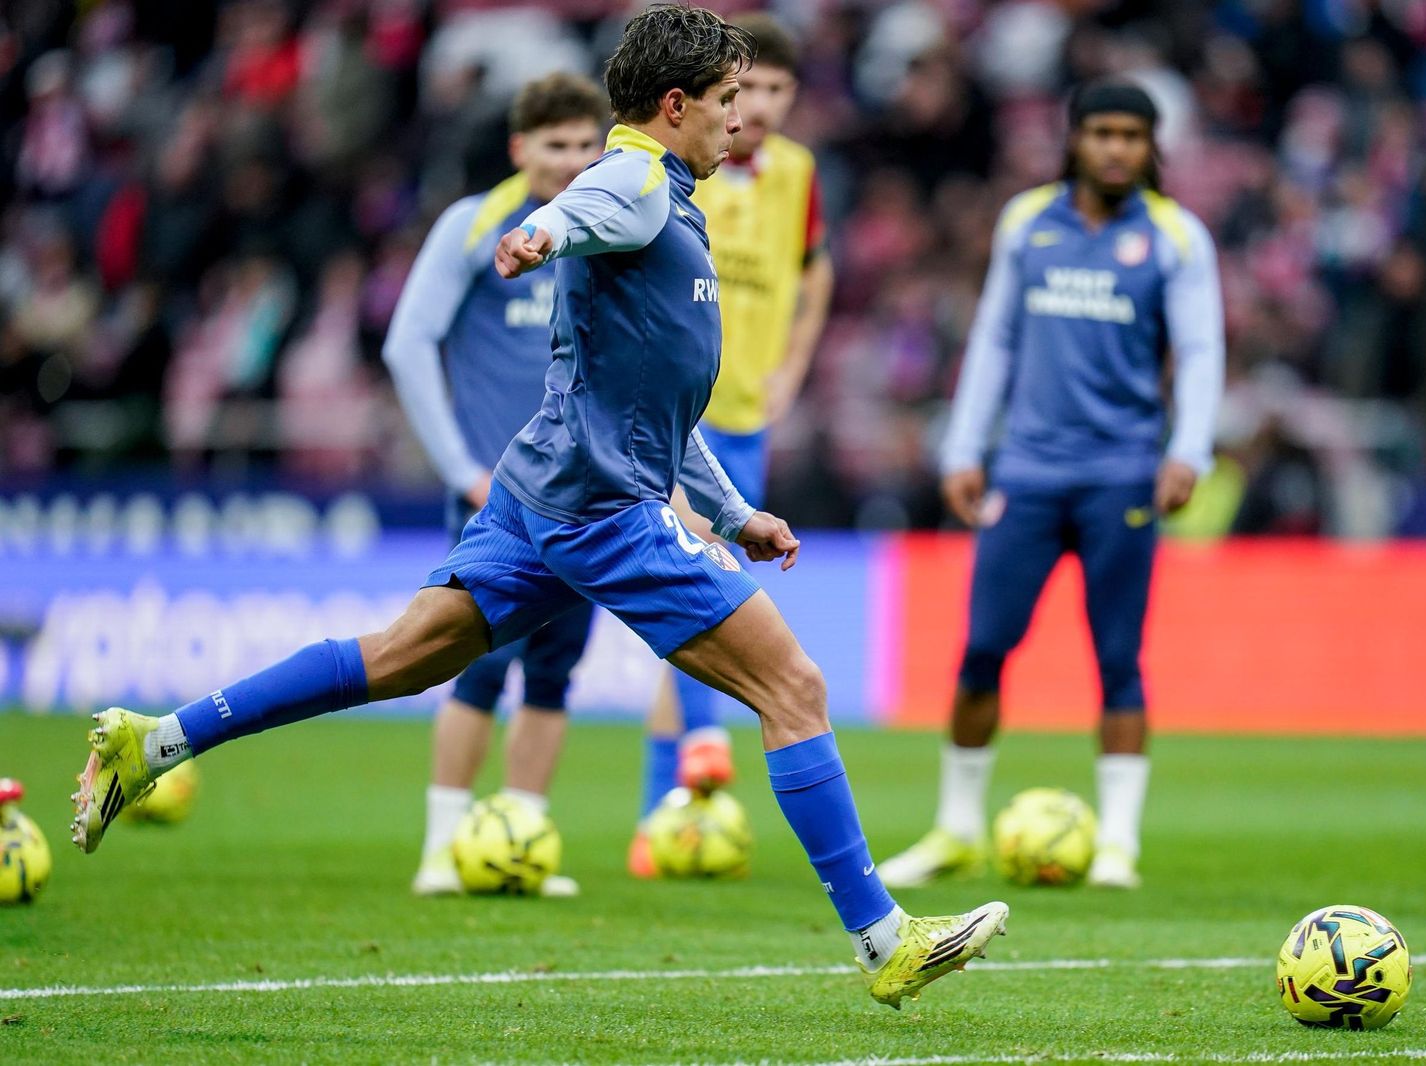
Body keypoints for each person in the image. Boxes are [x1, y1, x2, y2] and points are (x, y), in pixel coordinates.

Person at [71, 5, 1006, 1009]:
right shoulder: (641, 177)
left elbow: (654, 405)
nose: (741, 120)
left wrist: (732, 515)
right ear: (677, 103)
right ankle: (880, 938)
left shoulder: (673, 194)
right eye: (729, 100)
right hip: (602, 508)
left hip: (543, 492)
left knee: (397, 657)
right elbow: (585, 201)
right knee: (794, 688)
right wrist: (538, 232)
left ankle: (152, 741)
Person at [877, 80, 1224, 892]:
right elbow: (996, 337)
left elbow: (1202, 352)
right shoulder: (1027, 222)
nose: (1116, 149)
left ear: (1151, 147)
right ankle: (956, 828)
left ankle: (1117, 847)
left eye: (1132, 136)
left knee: (1118, 658)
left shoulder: (1176, 237)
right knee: (983, 649)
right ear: (1074, 141)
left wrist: (1190, 450)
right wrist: (965, 446)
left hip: (1122, 472)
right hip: (1026, 471)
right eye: (1101, 133)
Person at [380, 73, 608, 897]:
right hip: (494, 496)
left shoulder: (607, 226)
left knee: (554, 672)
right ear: (520, 149)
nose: (574, 160)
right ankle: (443, 847)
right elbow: (409, 346)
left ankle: (519, 838)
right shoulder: (472, 224)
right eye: (556, 145)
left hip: (585, 495)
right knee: (473, 663)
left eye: (588, 145)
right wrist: (459, 469)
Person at [629, 11, 834, 877]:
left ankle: (660, 814)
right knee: (699, 584)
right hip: (684, 417)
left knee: (703, 603)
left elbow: (814, 267)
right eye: (753, 90)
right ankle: (691, 767)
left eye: (782, 90)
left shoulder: (796, 174)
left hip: (748, 412)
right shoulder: (687, 169)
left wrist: (793, 366)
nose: (765, 107)